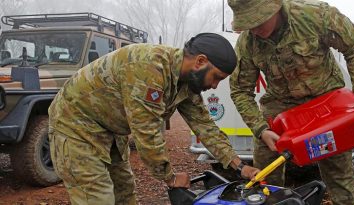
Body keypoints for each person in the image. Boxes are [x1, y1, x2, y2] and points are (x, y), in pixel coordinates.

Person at [48, 33, 260, 205]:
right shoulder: (148, 68)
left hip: (109, 130)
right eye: (216, 78)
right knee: (97, 196)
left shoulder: (187, 83)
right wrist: (170, 178)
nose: (214, 86)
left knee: (124, 193)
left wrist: (240, 166)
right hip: (76, 126)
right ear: (200, 61)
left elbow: (206, 127)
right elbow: (147, 134)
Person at [227, 0, 354, 205]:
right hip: (280, 105)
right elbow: (240, 90)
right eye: (248, 24)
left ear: (275, 8)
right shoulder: (248, 42)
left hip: (326, 101)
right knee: (265, 178)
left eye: (258, 22)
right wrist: (260, 129)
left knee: (339, 176)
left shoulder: (315, 15)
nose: (254, 29)